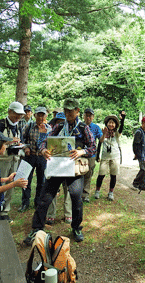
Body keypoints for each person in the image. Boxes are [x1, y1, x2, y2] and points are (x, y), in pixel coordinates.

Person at [23, 98, 96, 244]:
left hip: (74, 169)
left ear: (77, 111)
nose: (68, 113)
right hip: (57, 167)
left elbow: (93, 147)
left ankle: (76, 227)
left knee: (76, 197)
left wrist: (82, 152)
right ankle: (36, 229)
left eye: (71, 110)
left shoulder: (83, 127)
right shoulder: (58, 126)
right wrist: (44, 149)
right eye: (66, 110)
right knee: (45, 197)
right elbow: (45, 140)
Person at [0, 101, 25, 222]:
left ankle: (5, 211)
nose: (19, 117)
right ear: (9, 112)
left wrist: (19, 144)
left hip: (14, 159)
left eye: (20, 115)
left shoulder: (18, 125)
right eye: (16, 114)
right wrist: (8, 141)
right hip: (2, 160)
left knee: (11, 184)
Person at [19, 107, 51, 212]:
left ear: (46, 116)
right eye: (39, 115)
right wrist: (25, 147)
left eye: (43, 115)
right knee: (26, 180)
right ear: (35, 115)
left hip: (42, 158)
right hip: (30, 156)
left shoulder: (49, 129)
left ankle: (38, 202)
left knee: (41, 181)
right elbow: (21, 140)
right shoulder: (29, 126)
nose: (41, 117)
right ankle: (25, 203)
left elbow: (51, 143)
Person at [94, 112, 126, 201]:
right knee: (101, 175)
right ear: (107, 123)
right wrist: (97, 156)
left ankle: (111, 192)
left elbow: (122, 128)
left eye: (113, 123)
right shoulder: (104, 131)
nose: (111, 124)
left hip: (115, 157)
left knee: (113, 175)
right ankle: (97, 191)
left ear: (115, 125)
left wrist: (122, 119)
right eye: (109, 122)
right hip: (105, 157)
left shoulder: (116, 133)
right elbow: (100, 142)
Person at [82, 108, 103, 202]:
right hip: (80, 154)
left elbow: (101, 140)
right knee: (79, 173)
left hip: (91, 155)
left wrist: (104, 134)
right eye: (86, 115)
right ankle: (77, 193)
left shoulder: (95, 127)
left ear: (93, 117)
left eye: (90, 115)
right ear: (83, 116)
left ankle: (85, 194)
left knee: (88, 174)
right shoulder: (79, 125)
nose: (88, 117)